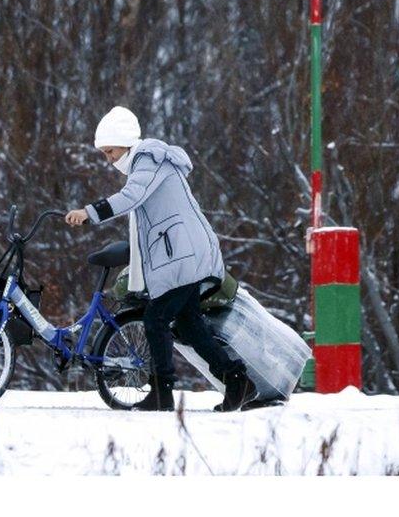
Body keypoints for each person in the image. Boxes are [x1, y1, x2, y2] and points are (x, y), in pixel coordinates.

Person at [65, 106, 257, 412]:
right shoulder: (147, 163)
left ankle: (161, 392)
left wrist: (89, 212)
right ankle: (237, 381)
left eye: (110, 151)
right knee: (191, 326)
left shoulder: (148, 160)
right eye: (104, 153)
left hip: (184, 255)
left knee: (155, 319)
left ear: (125, 143)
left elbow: (131, 198)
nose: (109, 160)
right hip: (182, 254)